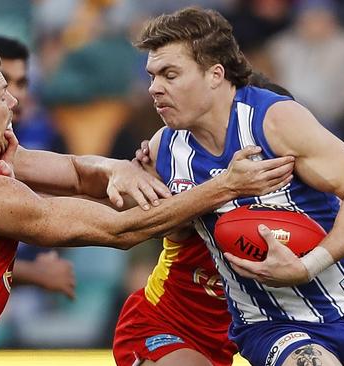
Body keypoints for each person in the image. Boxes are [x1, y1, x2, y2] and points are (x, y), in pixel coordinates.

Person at [0, 41, 295, 365]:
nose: (14, 103)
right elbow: (119, 230)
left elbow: (77, 171)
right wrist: (226, 186)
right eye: (3, 95)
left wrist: (122, 171)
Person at [132, 7, 344, 366]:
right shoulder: (163, 149)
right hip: (265, 323)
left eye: (170, 74)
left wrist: (309, 264)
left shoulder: (276, 121)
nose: (154, 88)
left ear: (214, 74)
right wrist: (127, 178)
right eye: (152, 76)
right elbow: (154, 228)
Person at [113, 77, 295, 366]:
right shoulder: (189, 182)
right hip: (167, 324)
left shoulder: (305, 202)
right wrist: (153, 172)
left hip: (238, 341)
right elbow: (160, 223)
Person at [0, 35, 75, 299]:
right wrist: (35, 274)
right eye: (5, 83)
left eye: (22, 83)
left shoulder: (46, 134)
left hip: (22, 279)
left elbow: (73, 187)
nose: (15, 94)